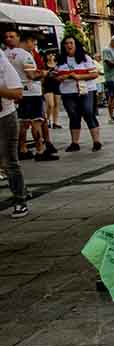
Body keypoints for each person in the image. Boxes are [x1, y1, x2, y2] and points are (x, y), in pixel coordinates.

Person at [55, 36, 102, 152]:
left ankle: (96, 141)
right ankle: (74, 143)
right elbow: (55, 76)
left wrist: (78, 77)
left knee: (88, 112)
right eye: (66, 43)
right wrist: (61, 77)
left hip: (86, 90)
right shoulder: (61, 60)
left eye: (71, 43)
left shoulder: (85, 58)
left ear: (76, 45)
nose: (69, 45)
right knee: (73, 115)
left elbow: (94, 74)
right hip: (68, 92)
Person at [16, 32, 56, 159]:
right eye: (34, 42)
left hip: (20, 91)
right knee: (37, 121)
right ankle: (40, 150)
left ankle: (22, 149)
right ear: (27, 41)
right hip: (32, 91)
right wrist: (44, 73)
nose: (34, 45)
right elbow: (32, 75)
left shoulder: (8, 54)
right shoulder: (25, 55)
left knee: (23, 122)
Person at [0, 54, 29, 217]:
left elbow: (18, 94)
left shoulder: (3, 64)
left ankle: (20, 200)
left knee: (9, 161)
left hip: (5, 117)